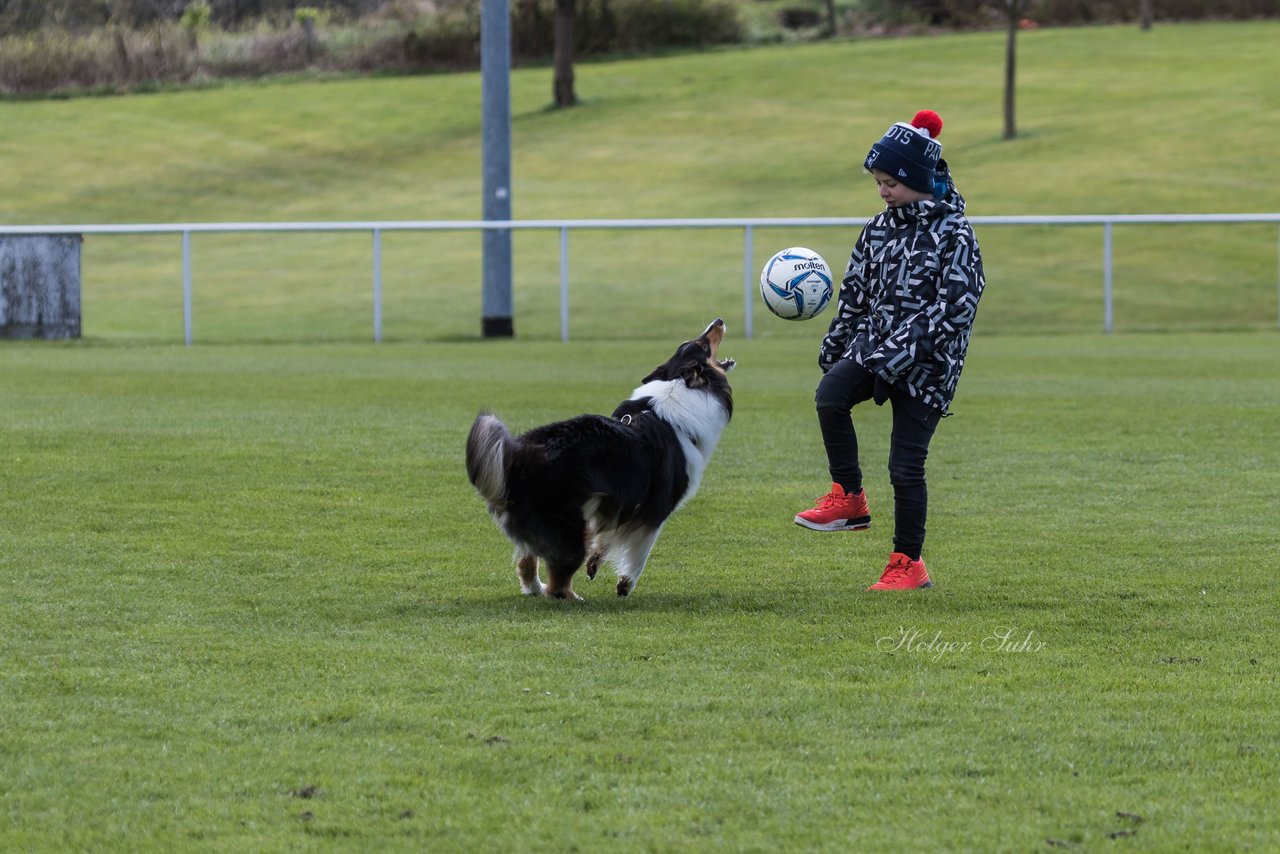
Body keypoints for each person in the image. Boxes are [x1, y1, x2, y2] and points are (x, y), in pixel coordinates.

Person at [794, 110, 985, 591]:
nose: (882, 191)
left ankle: (907, 563)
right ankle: (850, 497)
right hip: (873, 350)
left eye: (890, 182)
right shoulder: (876, 229)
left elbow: (956, 309)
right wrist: (837, 345)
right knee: (829, 396)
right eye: (877, 182)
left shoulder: (956, 234)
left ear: (917, 179)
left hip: (927, 370)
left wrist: (898, 357)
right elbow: (855, 294)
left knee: (905, 467)